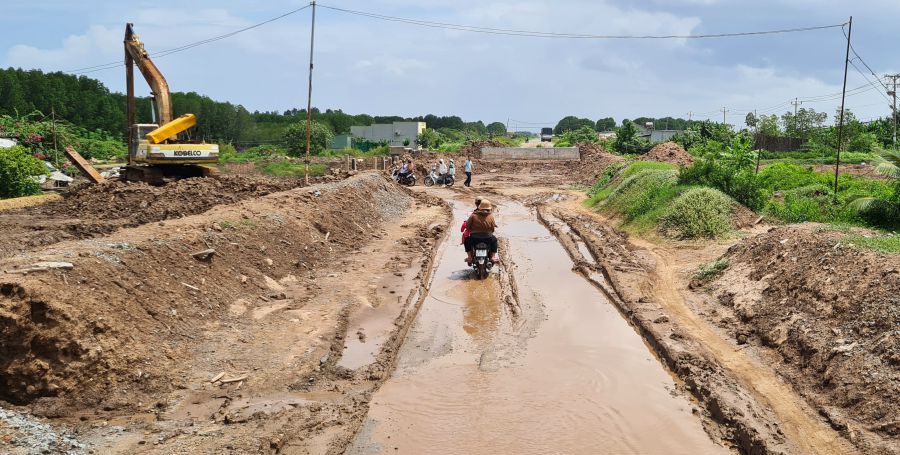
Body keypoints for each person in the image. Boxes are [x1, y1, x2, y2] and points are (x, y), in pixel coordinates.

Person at [464, 199, 498, 265]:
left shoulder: (473, 215)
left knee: (466, 240)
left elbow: (467, 227)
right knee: (494, 240)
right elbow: (492, 229)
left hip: (474, 239)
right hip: (488, 239)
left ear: (480, 207)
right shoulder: (490, 216)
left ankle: (469, 257)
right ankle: (493, 257)